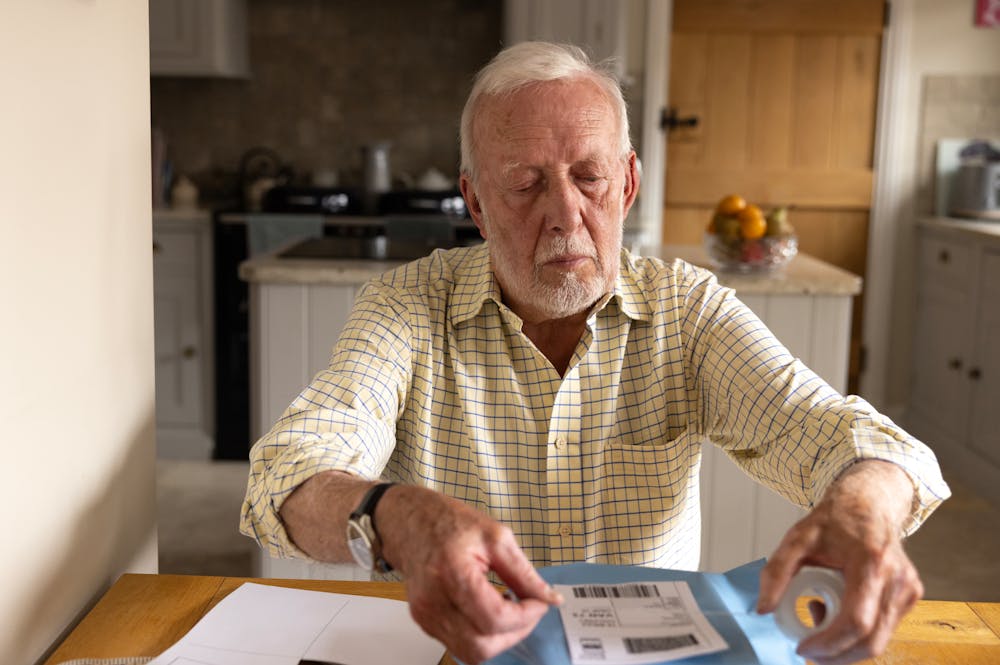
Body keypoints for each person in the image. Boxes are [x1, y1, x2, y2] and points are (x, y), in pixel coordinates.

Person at [240, 41, 950, 665]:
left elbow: (847, 437)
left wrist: (862, 509)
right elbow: (284, 478)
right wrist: (391, 514)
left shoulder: (687, 310)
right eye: (524, 184)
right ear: (477, 203)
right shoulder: (406, 307)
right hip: (451, 651)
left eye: (589, 176)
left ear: (628, 185)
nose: (565, 213)